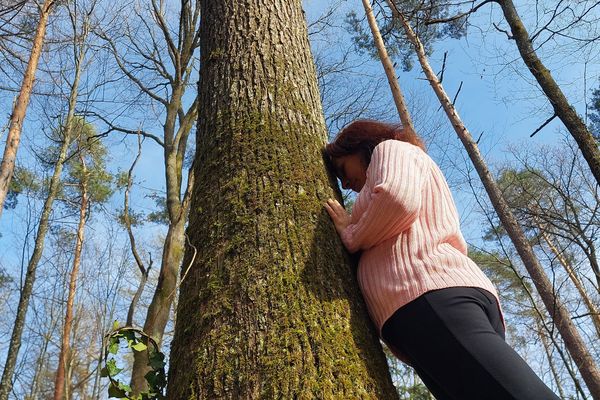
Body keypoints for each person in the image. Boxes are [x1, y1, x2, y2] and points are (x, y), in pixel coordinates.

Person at [323, 119, 560, 400]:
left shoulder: (391, 149)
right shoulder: (396, 168)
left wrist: (350, 234)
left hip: (429, 295)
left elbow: (397, 200)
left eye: (342, 170)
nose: (346, 184)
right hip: (428, 303)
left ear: (360, 145)